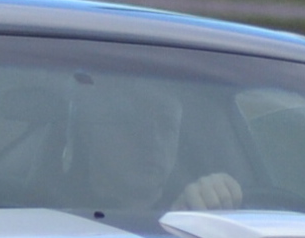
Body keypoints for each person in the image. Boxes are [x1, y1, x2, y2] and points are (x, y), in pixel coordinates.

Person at [71, 81, 240, 215]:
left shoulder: (196, 210)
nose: (153, 140)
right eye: (130, 123)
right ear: (88, 133)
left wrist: (218, 200)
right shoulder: (52, 211)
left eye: (167, 126)